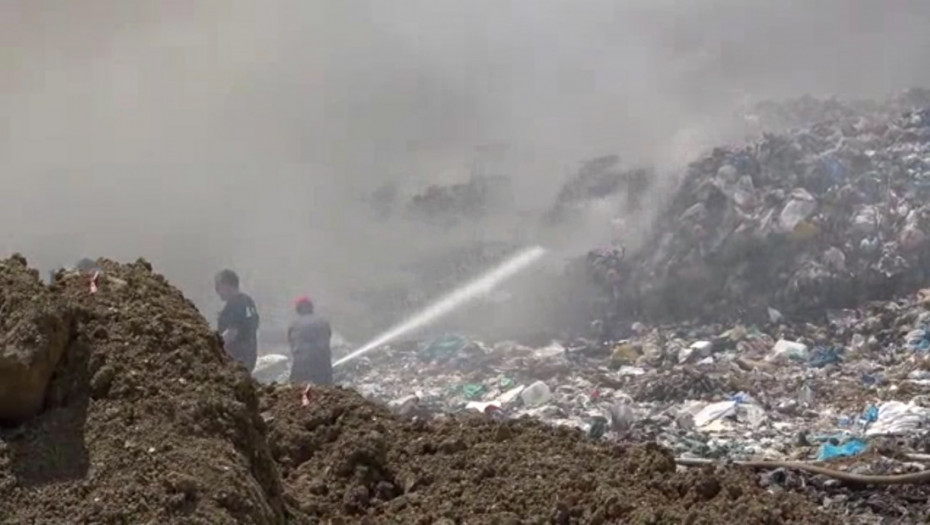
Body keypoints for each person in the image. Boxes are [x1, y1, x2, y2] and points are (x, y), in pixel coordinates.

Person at [214, 269, 260, 372]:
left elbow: (232, 333)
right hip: (249, 356)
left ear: (226, 285)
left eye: (218, 287)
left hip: (236, 359)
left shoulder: (235, 304)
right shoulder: (248, 301)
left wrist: (214, 348)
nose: (217, 292)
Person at [287, 295, 333, 385]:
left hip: (301, 367)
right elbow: (328, 339)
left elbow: (292, 345)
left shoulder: (293, 325)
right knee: (326, 391)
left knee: (296, 391)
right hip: (323, 366)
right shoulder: (324, 322)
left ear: (298, 309)